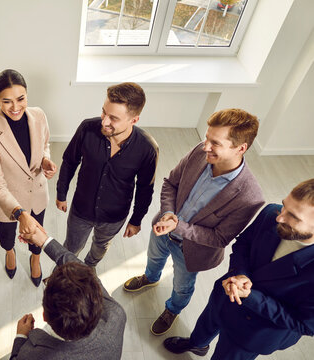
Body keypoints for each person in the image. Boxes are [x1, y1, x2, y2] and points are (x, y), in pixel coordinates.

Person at [123, 108, 265, 336]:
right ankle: (150, 278)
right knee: (154, 258)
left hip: (193, 252)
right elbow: (171, 183)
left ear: (240, 148)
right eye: (207, 138)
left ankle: (173, 309)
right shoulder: (201, 151)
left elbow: (219, 238)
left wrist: (177, 226)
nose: (205, 146)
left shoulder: (250, 197)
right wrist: (168, 213)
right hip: (162, 230)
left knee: (182, 286)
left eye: (215, 143)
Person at [164, 179, 314, 360]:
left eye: (294, 217)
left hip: (253, 332)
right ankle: (197, 344)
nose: (279, 217)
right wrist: (240, 273)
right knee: (205, 325)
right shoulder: (270, 213)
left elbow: (304, 325)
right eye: (284, 206)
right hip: (224, 297)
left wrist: (251, 297)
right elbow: (243, 244)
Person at [56, 82, 158, 268]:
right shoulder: (87, 128)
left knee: (101, 246)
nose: (104, 121)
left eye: (113, 118)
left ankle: (89, 268)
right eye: (104, 112)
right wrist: (61, 194)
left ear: (133, 120)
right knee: (71, 247)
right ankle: (63, 274)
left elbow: (145, 188)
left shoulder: (147, 148)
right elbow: (70, 160)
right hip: (81, 210)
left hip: (114, 216)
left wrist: (136, 220)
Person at [0, 69, 57, 286]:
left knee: (37, 231)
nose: (15, 107)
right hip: (7, 201)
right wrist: (20, 213)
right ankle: (9, 252)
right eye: (7, 101)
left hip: (37, 194)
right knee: (6, 233)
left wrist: (45, 160)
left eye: (20, 99)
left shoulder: (39, 115)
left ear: (27, 95)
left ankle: (35, 257)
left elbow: (45, 144)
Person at [9, 225, 126, 359]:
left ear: (44, 316)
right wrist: (45, 241)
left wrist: (21, 337)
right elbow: (87, 275)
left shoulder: (32, 355)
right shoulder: (116, 316)